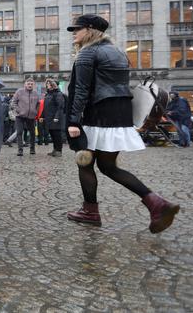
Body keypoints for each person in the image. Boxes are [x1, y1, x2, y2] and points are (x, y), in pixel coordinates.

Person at [65, 14, 179, 233]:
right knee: (108, 166)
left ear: (89, 30)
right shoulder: (117, 52)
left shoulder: (87, 53)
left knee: (85, 162)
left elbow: (80, 89)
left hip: (97, 114)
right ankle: (156, 203)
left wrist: (73, 120)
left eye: (77, 29)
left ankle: (90, 211)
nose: (74, 33)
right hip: (119, 114)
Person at [12, 78, 39, 156]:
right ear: (25, 84)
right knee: (19, 132)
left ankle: (32, 149)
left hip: (31, 116)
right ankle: (20, 150)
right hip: (20, 116)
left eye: (31, 84)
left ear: (33, 85)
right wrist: (18, 110)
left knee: (32, 133)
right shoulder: (19, 92)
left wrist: (35, 112)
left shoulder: (36, 93)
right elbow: (14, 102)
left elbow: (38, 104)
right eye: (28, 84)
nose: (30, 85)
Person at [41, 79, 65, 157]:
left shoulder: (58, 94)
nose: (47, 85)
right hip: (49, 118)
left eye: (49, 84)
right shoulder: (47, 95)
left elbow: (60, 106)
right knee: (52, 134)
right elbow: (45, 107)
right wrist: (42, 116)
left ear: (53, 85)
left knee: (57, 134)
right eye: (47, 84)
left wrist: (57, 117)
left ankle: (59, 150)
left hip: (55, 118)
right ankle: (55, 149)